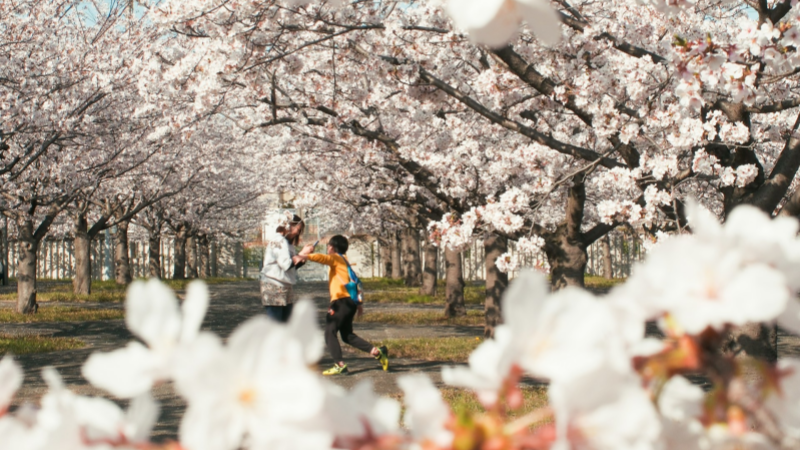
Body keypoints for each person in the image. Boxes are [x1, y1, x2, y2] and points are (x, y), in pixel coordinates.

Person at [298, 235, 388, 375]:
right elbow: (356, 283)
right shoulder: (345, 261)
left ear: (332, 247)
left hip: (340, 302)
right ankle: (377, 352)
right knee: (347, 336)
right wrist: (358, 304)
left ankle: (339, 364)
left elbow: (323, 258)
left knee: (329, 332)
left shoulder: (336, 258)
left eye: (328, 246)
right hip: (349, 303)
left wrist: (305, 254)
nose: (327, 248)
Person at [259, 214, 306, 323]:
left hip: (284, 285)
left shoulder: (286, 243)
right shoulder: (279, 241)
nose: (297, 233)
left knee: (285, 323)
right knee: (276, 323)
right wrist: (301, 254)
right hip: (274, 285)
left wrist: (301, 259)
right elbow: (285, 264)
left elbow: (290, 268)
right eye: (297, 229)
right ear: (289, 226)